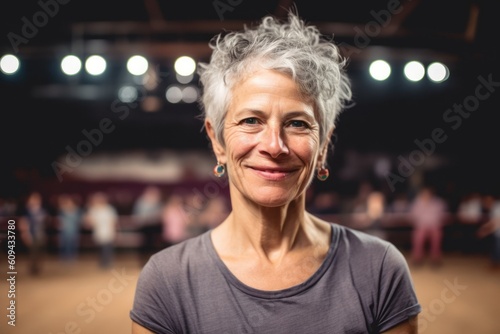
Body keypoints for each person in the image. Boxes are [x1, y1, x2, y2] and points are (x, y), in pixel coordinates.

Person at [130, 11, 421, 333]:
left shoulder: (379, 269)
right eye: (251, 120)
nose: (274, 145)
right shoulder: (167, 280)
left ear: (323, 144)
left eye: (297, 123)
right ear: (218, 141)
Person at [408, 186, 449, 266]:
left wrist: (435, 223)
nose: (426, 195)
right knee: (418, 236)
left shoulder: (438, 203)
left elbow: (443, 215)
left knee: (437, 235)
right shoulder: (417, 203)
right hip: (421, 226)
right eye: (424, 193)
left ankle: (435, 259)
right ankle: (417, 258)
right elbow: (412, 216)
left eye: (428, 194)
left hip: (435, 226)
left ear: (431, 194)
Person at [84, 191, 119, 269]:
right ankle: (102, 263)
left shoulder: (109, 209)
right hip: (98, 233)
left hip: (108, 232)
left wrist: (114, 231)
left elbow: (113, 221)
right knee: (101, 248)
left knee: (107, 248)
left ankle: (107, 263)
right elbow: (88, 222)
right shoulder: (93, 210)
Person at [19, 191, 49, 275]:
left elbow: (45, 223)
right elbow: (23, 223)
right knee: (32, 252)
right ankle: (32, 269)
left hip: (41, 234)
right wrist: (25, 234)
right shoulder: (27, 211)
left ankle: (38, 269)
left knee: (40, 252)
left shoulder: (42, 211)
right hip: (31, 234)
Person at [132, 186, 164, 264]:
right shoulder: (141, 202)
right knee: (144, 244)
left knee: (153, 245)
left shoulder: (158, 203)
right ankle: (143, 261)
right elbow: (138, 215)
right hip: (144, 226)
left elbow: (160, 214)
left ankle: (152, 261)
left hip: (154, 226)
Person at [57, 193, 83, 263]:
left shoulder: (77, 211)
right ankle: (64, 258)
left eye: (70, 203)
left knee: (73, 245)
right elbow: (59, 221)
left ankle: (72, 258)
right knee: (64, 245)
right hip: (64, 232)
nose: (69, 204)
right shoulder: (62, 211)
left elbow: (80, 221)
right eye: (68, 203)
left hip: (74, 232)